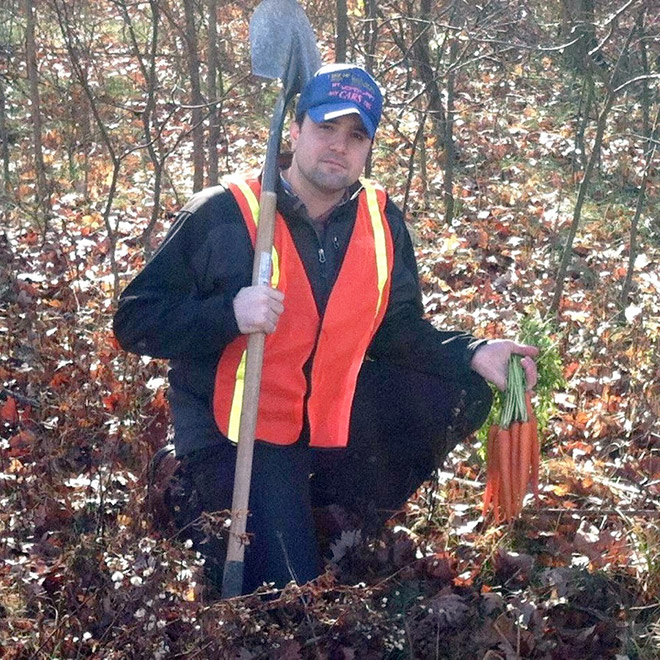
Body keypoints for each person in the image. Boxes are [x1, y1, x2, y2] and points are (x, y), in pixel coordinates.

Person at [113, 63, 538, 595]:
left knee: (459, 387)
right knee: (288, 596)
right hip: (239, 432)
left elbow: (397, 331)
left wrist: (474, 351)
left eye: (355, 135)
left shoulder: (382, 222)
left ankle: (338, 509)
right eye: (325, 128)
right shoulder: (224, 213)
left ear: (368, 148)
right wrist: (228, 314)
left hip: (324, 419)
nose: (339, 146)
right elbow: (134, 322)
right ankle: (196, 492)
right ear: (294, 132)